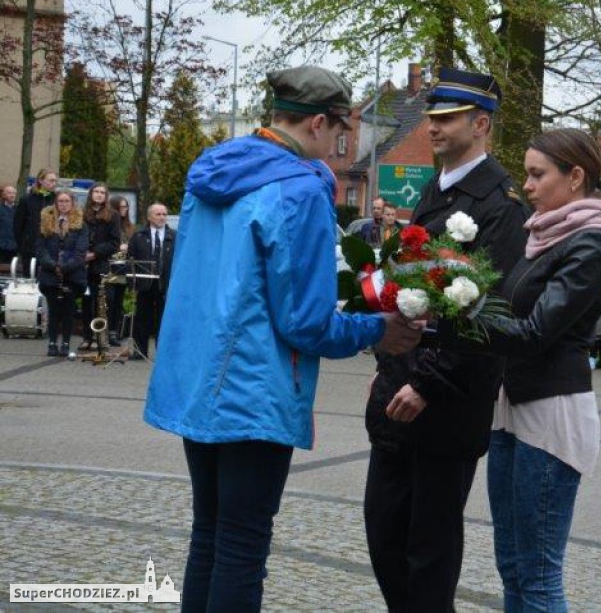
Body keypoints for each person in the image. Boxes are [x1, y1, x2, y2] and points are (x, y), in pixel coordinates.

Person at [143, 65, 424, 612]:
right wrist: (378, 330)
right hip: (253, 387)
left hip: (199, 378)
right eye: (339, 129)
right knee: (242, 545)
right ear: (319, 122)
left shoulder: (211, 173)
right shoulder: (299, 190)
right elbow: (305, 320)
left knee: (211, 535)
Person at [363, 67, 530, 613]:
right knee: (385, 537)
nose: (432, 126)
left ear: (480, 124)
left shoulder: (500, 205)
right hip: (398, 390)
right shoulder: (436, 190)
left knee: (428, 553)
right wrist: (388, 355)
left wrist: (430, 382)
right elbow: (413, 287)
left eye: (446, 118)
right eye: (431, 116)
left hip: (445, 403)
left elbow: (490, 316)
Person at [457, 128, 601, 611]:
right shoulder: (545, 236)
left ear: (575, 177)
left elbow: (532, 333)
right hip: (514, 407)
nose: (525, 185)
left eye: (536, 174)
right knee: (513, 566)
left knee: (539, 575)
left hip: (551, 415)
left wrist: (461, 314)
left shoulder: (590, 244)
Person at [35, 190, 88, 357]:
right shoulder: (46, 222)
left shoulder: (81, 225)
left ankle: (65, 343)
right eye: (60, 201)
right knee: (53, 310)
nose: (63, 204)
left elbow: (81, 251)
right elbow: (40, 248)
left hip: (72, 274)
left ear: (72, 203)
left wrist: (65, 267)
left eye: (67, 201)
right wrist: (52, 265)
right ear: (56, 203)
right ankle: (51, 343)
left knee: (68, 310)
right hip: (50, 273)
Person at [127, 203, 175, 359]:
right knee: (142, 318)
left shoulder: (173, 236)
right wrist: (131, 283)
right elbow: (130, 260)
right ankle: (139, 351)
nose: (161, 217)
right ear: (149, 217)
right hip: (145, 284)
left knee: (163, 319)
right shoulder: (139, 235)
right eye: (158, 214)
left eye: (164, 214)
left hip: (165, 283)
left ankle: (163, 352)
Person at [80, 183, 121, 351]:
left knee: (101, 302)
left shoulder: (113, 216)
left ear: (106, 196)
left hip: (101, 263)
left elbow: (114, 242)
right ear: (91, 194)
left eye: (102, 192)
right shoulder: (82, 213)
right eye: (96, 192)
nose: (98, 195)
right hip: (82, 264)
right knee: (85, 301)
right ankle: (86, 337)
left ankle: (99, 337)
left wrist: (95, 253)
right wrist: (82, 253)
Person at [13, 167, 56, 276]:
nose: (54, 183)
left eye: (55, 181)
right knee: (29, 278)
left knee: (48, 279)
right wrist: (23, 244)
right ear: (41, 181)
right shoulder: (27, 200)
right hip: (30, 248)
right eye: (51, 180)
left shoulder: (56, 200)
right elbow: (18, 226)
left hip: (50, 248)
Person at [107, 195, 135, 345]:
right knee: (109, 300)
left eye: (126, 207)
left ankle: (113, 332)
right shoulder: (110, 224)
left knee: (118, 302)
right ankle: (103, 331)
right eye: (122, 207)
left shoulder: (129, 227)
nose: (124, 210)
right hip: (110, 267)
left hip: (123, 268)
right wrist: (119, 247)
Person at [0, 184, 17, 265]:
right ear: (3, 195)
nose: (12, 195)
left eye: (14, 193)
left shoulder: (19, 210)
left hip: (15, 247)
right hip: (2, 246)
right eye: (9, 193)